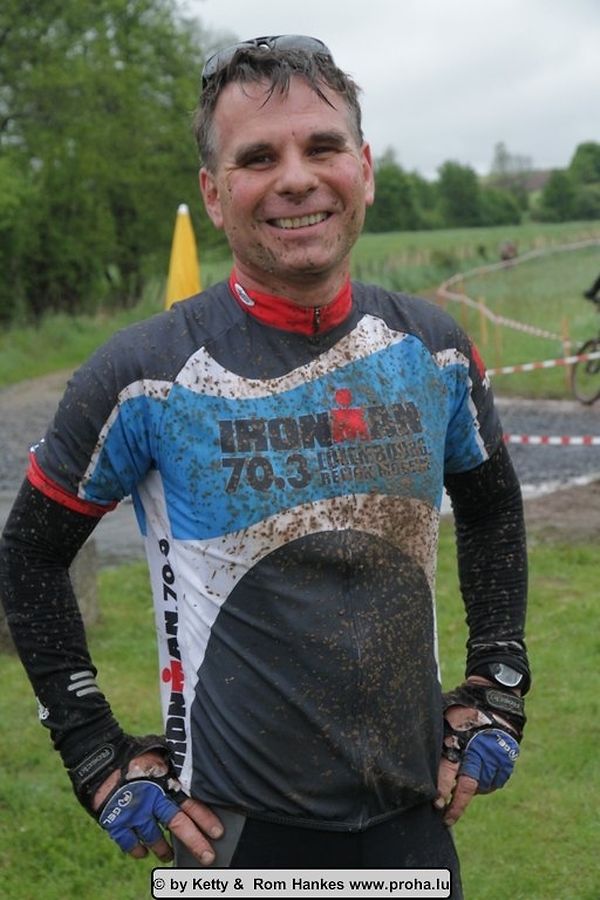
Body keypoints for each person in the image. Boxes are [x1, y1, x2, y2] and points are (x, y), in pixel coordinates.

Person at [0, 35, 529, 893]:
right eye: (257, 158)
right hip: (236, 838)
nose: (296, 178)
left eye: (322, 147)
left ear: (364, 169)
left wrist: (498, 680)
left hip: (413, 824)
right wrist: (92, 747)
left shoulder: (434, 350)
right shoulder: (144, 373)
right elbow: (29, 553)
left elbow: (493, 507)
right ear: (214, 194)